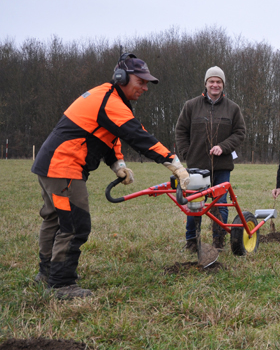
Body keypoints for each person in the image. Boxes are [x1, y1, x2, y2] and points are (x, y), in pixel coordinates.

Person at [31, 52, 190, 299]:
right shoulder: (110, 100)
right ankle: (61, 284)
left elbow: (109, 135)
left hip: (50, 166)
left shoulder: (107, 97)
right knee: (75, 225)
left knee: (54, 219)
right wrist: (174, 163)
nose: (145, 88)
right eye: (141, 82)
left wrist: (118, 165)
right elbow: (138, 136)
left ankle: (48, 273)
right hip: (64, 169)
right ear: (122, 77)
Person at [175, 66, 246, 251]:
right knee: (195, 205)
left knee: (220, 204)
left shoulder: (233, 108)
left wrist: (223, 147)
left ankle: (218, 241)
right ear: (206, 83)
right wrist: (187, 153)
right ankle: (192, 241)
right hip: (196, 167)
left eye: (218, 82)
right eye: (212, 81)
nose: (215, 85)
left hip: (222, 166)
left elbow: (240, 133)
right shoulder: (191, 106)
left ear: (223, 85)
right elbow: (180, 131)